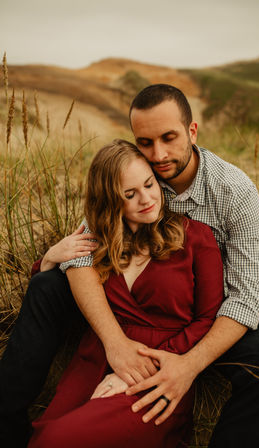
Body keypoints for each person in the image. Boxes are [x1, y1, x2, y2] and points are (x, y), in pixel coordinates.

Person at [0, 84, 259, 448]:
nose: (158, 154)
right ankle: (7, 422)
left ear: (192, 131)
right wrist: (116, 344)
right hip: (127, 302)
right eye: (145, 142)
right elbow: (82, 253)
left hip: (205, 311)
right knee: (46, 285)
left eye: (169, 138)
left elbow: (246, 296)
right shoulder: (136, 171)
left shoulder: (235, 191)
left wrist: (185, 366)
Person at [28, 139, 223, 447]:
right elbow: (49, 287)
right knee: (43, 435)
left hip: (158, 371)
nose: (146, 199)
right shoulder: (98, 240)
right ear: (110, 201)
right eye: (129, 194)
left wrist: (143, 371)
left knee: (60, 439)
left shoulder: (196, 238)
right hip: (95, 359)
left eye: (149, 184)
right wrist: (50, 258)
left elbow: (209, 318)